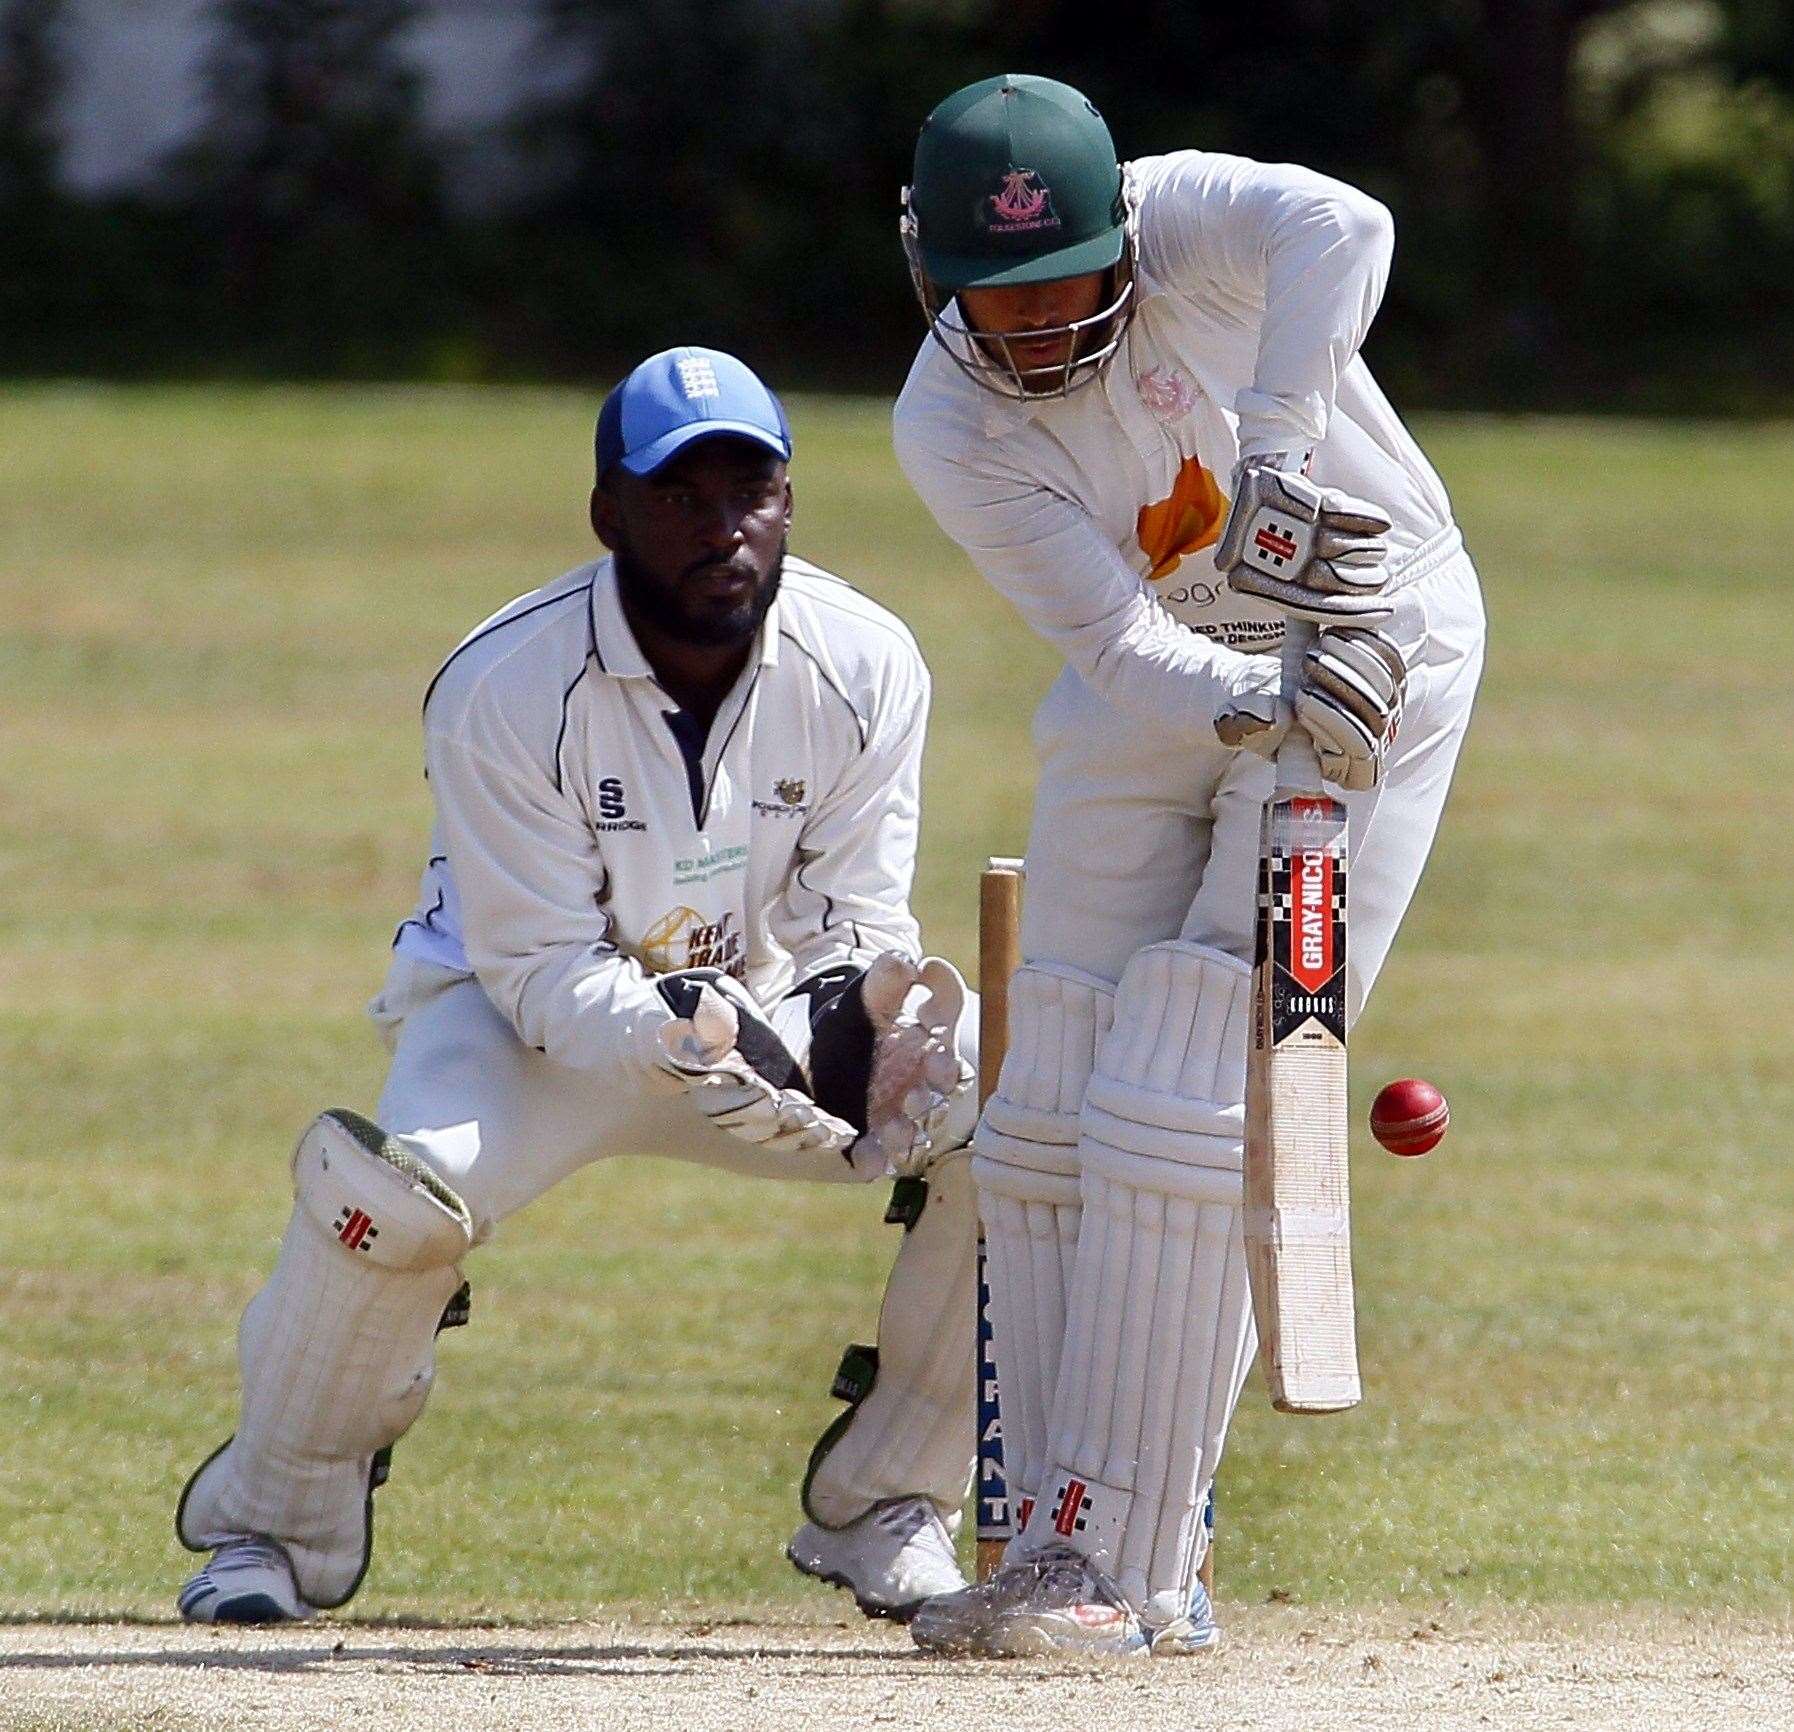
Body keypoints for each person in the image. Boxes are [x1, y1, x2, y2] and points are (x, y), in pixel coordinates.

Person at [175, 346, 983, 1627]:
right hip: (519, 1032)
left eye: (752, 489)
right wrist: (680, 1034)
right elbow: (541, 966)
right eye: (680, 494)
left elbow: (854, 919)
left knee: (1010, 1120)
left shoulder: (866, 661)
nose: (724, 525)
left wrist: (864, 1032)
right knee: (394, 1196)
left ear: (789, 501)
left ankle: (894, 1501)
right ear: (610, 512)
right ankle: (265, 1526)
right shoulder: (502, 683)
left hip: (753, 1022)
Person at [892, 76, 1486, 1657]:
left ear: (1121, 242)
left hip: (1369, 649)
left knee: (1180, 1081)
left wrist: (1281, 450)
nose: (1031, 333)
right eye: (991, 301)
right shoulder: (945, 425)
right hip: (1169, 674)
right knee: (1044, 1097)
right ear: (928, 276)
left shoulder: (1186, 221)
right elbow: (1111, 636)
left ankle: (1128, 1561)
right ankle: (1041, 1533)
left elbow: (1343, 223)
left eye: (1066, 288)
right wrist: (1249, 691)